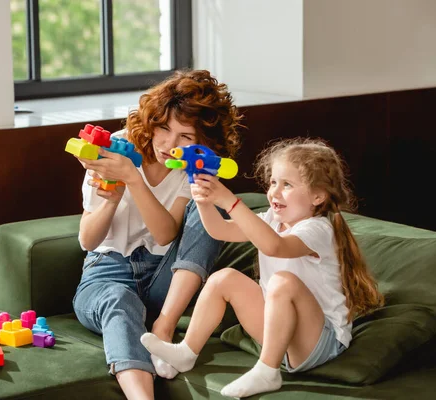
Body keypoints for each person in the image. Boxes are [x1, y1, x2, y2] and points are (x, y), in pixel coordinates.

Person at [140, 137, 385, 398]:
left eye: (287, 185)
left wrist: (230, 202)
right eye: (273, 182)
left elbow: (274, 247)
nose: (275, 192)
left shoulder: (318, 229)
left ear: (318, 196)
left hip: (320, 341)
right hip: (280, 335)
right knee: (224, 278)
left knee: (283, 281)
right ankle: (187, 352)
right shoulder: (272, 218)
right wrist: (204, 200)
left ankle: (267, 370)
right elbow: (220, 230)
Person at [72, 69, 243, 400]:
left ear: (203, 142)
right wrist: (111, 200)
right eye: (163, 128)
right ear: (150, 121)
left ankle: (163, 329)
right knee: (119, 302)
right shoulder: (115, 149)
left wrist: (134, 182)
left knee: (208, 200)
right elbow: (87, 241)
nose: (169, 144)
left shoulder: (190, 169)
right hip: (106, 274)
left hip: (165, 278)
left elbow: (165, 235)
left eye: (185, 137)